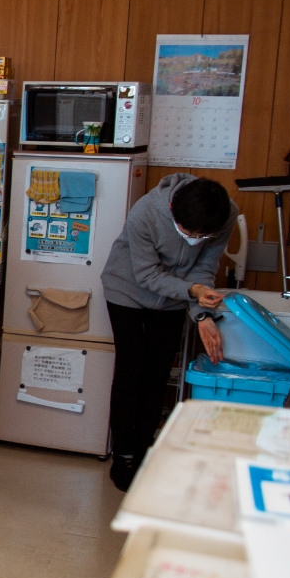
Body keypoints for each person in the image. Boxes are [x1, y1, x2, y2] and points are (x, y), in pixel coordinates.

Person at [100, 174, 238, 491]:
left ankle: (143, 452)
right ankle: (123, 457)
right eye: (189, 234)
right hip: (127, 291)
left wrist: (202, 314)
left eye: (203, 236)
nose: (195, 240)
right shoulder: (146, 213)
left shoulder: (224, 214)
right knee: (130, 371)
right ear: (174, 209)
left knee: (158, 373)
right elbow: (147, 274)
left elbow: (204, 269)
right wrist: (192, 291)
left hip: (175, 300)